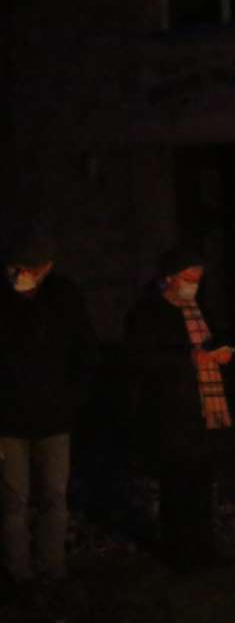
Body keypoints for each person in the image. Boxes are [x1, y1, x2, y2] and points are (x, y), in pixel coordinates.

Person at [124, 248, 235, 572]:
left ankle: (205, 549)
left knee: (202, 482)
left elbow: (210, 342)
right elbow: (141, 359)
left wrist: (219, 354)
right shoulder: (147, 313)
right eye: (189, 278)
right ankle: (180, 552)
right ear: (170, 277)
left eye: (198, 279)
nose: (194, 284)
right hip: (170, 411)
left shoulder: (199, 310)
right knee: (177, 483)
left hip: (203, 407)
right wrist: (185, 360)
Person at [0, 228, 97, 587]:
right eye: (18, 267)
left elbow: (84, 350)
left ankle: (52, 570)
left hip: (54, 418)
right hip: (8, 420)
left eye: (33, 268)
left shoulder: (64, 297)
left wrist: (72, 396)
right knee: (14, 501)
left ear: (47, 267)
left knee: (54, 498)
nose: (23, 274)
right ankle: (19, 573)